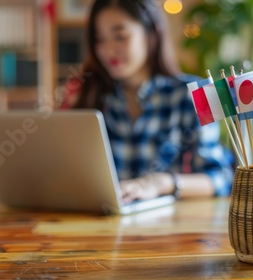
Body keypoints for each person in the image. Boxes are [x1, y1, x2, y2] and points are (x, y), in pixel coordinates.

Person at [60, 0, 233, 203]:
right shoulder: (88, 95)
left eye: (120, 36)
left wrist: (163, 184)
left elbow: (222, 178)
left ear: (151, 34)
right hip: (103, 224)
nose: (108, 50)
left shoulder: (201, 93)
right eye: (100, 39)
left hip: (172, 227)